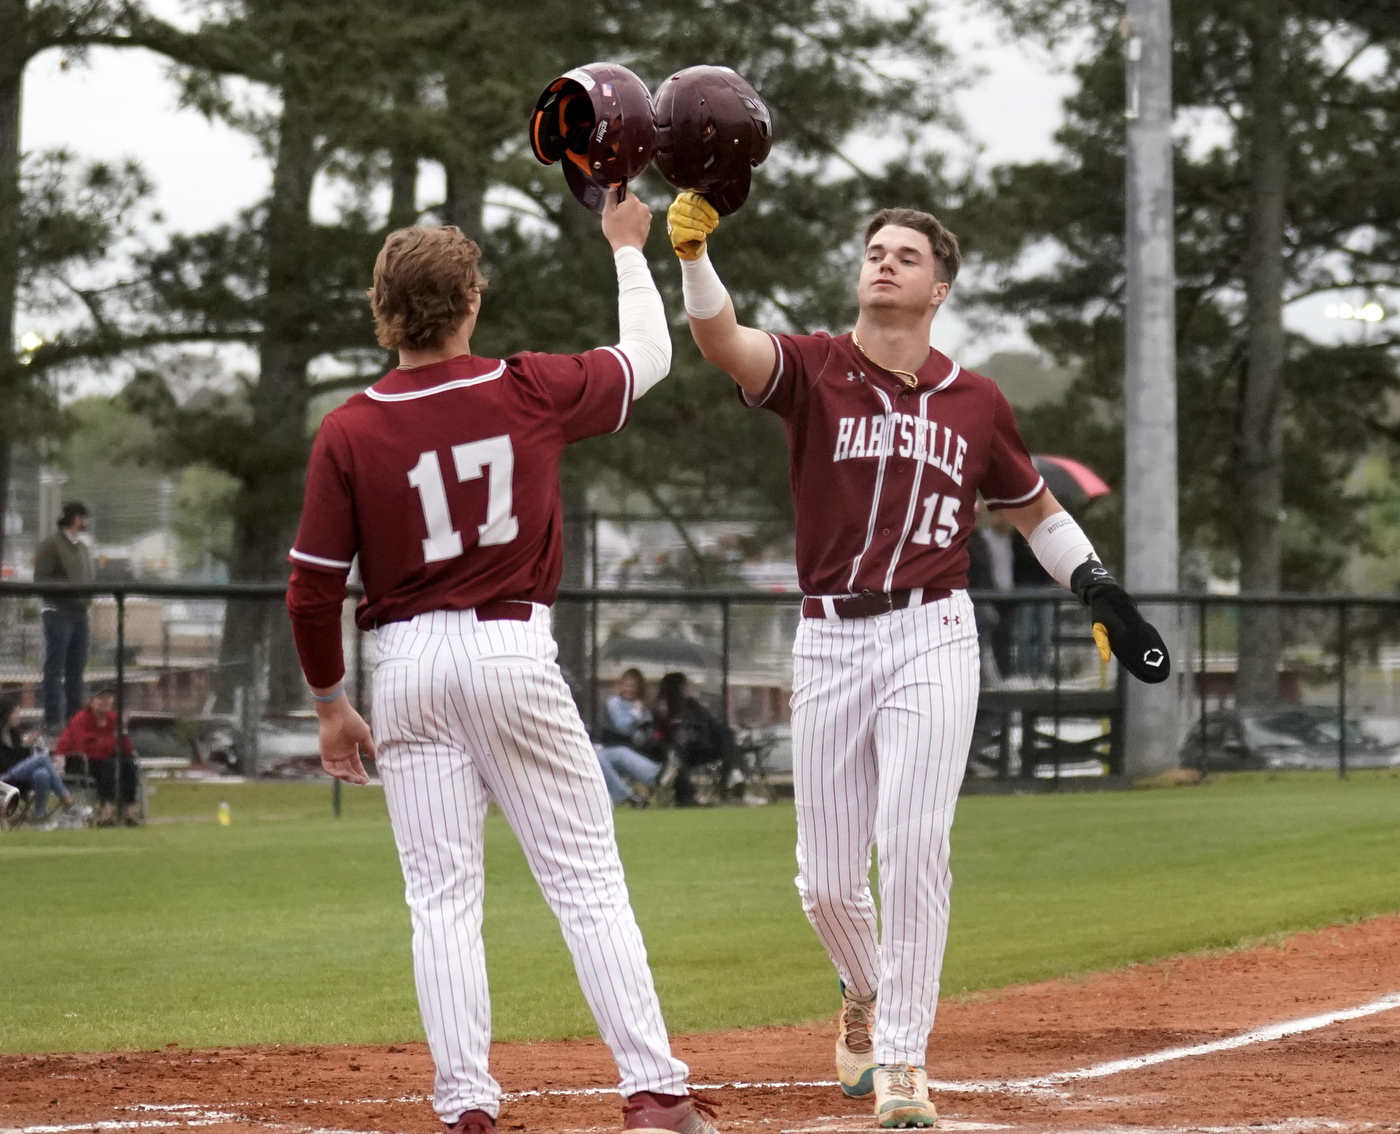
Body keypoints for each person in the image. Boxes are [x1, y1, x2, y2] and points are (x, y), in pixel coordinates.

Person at [668, 193, 1168, 1127]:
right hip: (828, 636)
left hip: (933, 632)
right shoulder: (816, 367)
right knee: (824, 882)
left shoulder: (976, 400)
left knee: (914, 847)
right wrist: (696, 258)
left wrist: (1095, 582)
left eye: (906, 255)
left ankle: (902, 1060)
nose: (884, 262)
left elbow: (1032, 509)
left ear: (940, 287)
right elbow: (724, 343)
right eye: (874, 250)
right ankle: (862, 991)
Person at [284, 195, 722, 1134]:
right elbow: (649, 356)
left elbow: (313, 590)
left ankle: (467, 1109)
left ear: (382, 308)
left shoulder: (349, 429)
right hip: (509, 645)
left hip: (402, 664)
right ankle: (652, 1093)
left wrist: (329, 703)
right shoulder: (527, 388)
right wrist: (625, 249)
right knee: (585, 881)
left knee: (442, 898)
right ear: (471, 302)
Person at [34, 501, 93, 731]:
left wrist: (86, 597)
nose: (86, 522)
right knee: (55, 667)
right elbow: (41, 579)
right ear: (76, 518)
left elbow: (87, 578)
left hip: (79, 614)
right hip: (57, 612)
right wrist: (70, 592)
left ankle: (74, 720)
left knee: (76, 669)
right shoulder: (51, 545)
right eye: (83, 517)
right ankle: (53, 719)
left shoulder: (82, 547)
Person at [651, 673, 744, 807]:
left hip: (697, 747)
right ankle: (731, 775)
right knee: (677, 750)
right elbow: (660, 733)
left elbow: (710, 723)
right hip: (675, 750)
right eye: (686, 684)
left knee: (726, 734)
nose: (689, 687)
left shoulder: (691, 703)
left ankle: (733, 774)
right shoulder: (662, 707)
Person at [53, 687, 137, 827]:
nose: (105, 701)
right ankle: (106, 811)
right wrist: (111, 742)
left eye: (108, 697)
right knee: (109, 764)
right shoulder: (81, 719)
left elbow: (126, 748)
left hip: (104, 759)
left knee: (128, 763)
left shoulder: (114, 719)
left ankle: (128, 811)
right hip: (77, 762)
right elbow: (86, 749)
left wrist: (120, 731)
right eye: (100, 697)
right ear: (90, 701)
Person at [596, 669, 668, 807]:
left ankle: (660, 778)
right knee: (610, 755)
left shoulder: (642, 705)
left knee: (620, 753)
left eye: (633, 686)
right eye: (627, 685)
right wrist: (636, 714)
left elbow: (646, 730)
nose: (629, 689)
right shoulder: (615, 702)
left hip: (636, 748)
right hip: (612, 747)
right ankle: (631, 795)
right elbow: (623, 727)